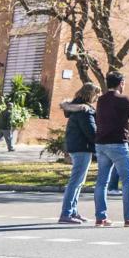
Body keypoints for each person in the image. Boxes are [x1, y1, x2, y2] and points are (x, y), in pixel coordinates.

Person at [93, 72, 129, 228]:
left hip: (101, 143)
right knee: (127, 180)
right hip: (118, 143)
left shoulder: (101, 100)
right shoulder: (124, 99)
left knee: (102, 181)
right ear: (121, 83)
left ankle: (100, 218)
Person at [56, 83, 98, 224]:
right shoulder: (84, 110)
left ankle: (73, 211)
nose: (96, 98)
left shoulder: (77, 107)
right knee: (76, 182)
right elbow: (91, 132)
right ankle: (66, 213)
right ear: (91, 94)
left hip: (76, 147)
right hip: (82, 148)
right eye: (96, 95)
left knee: (78, 182)